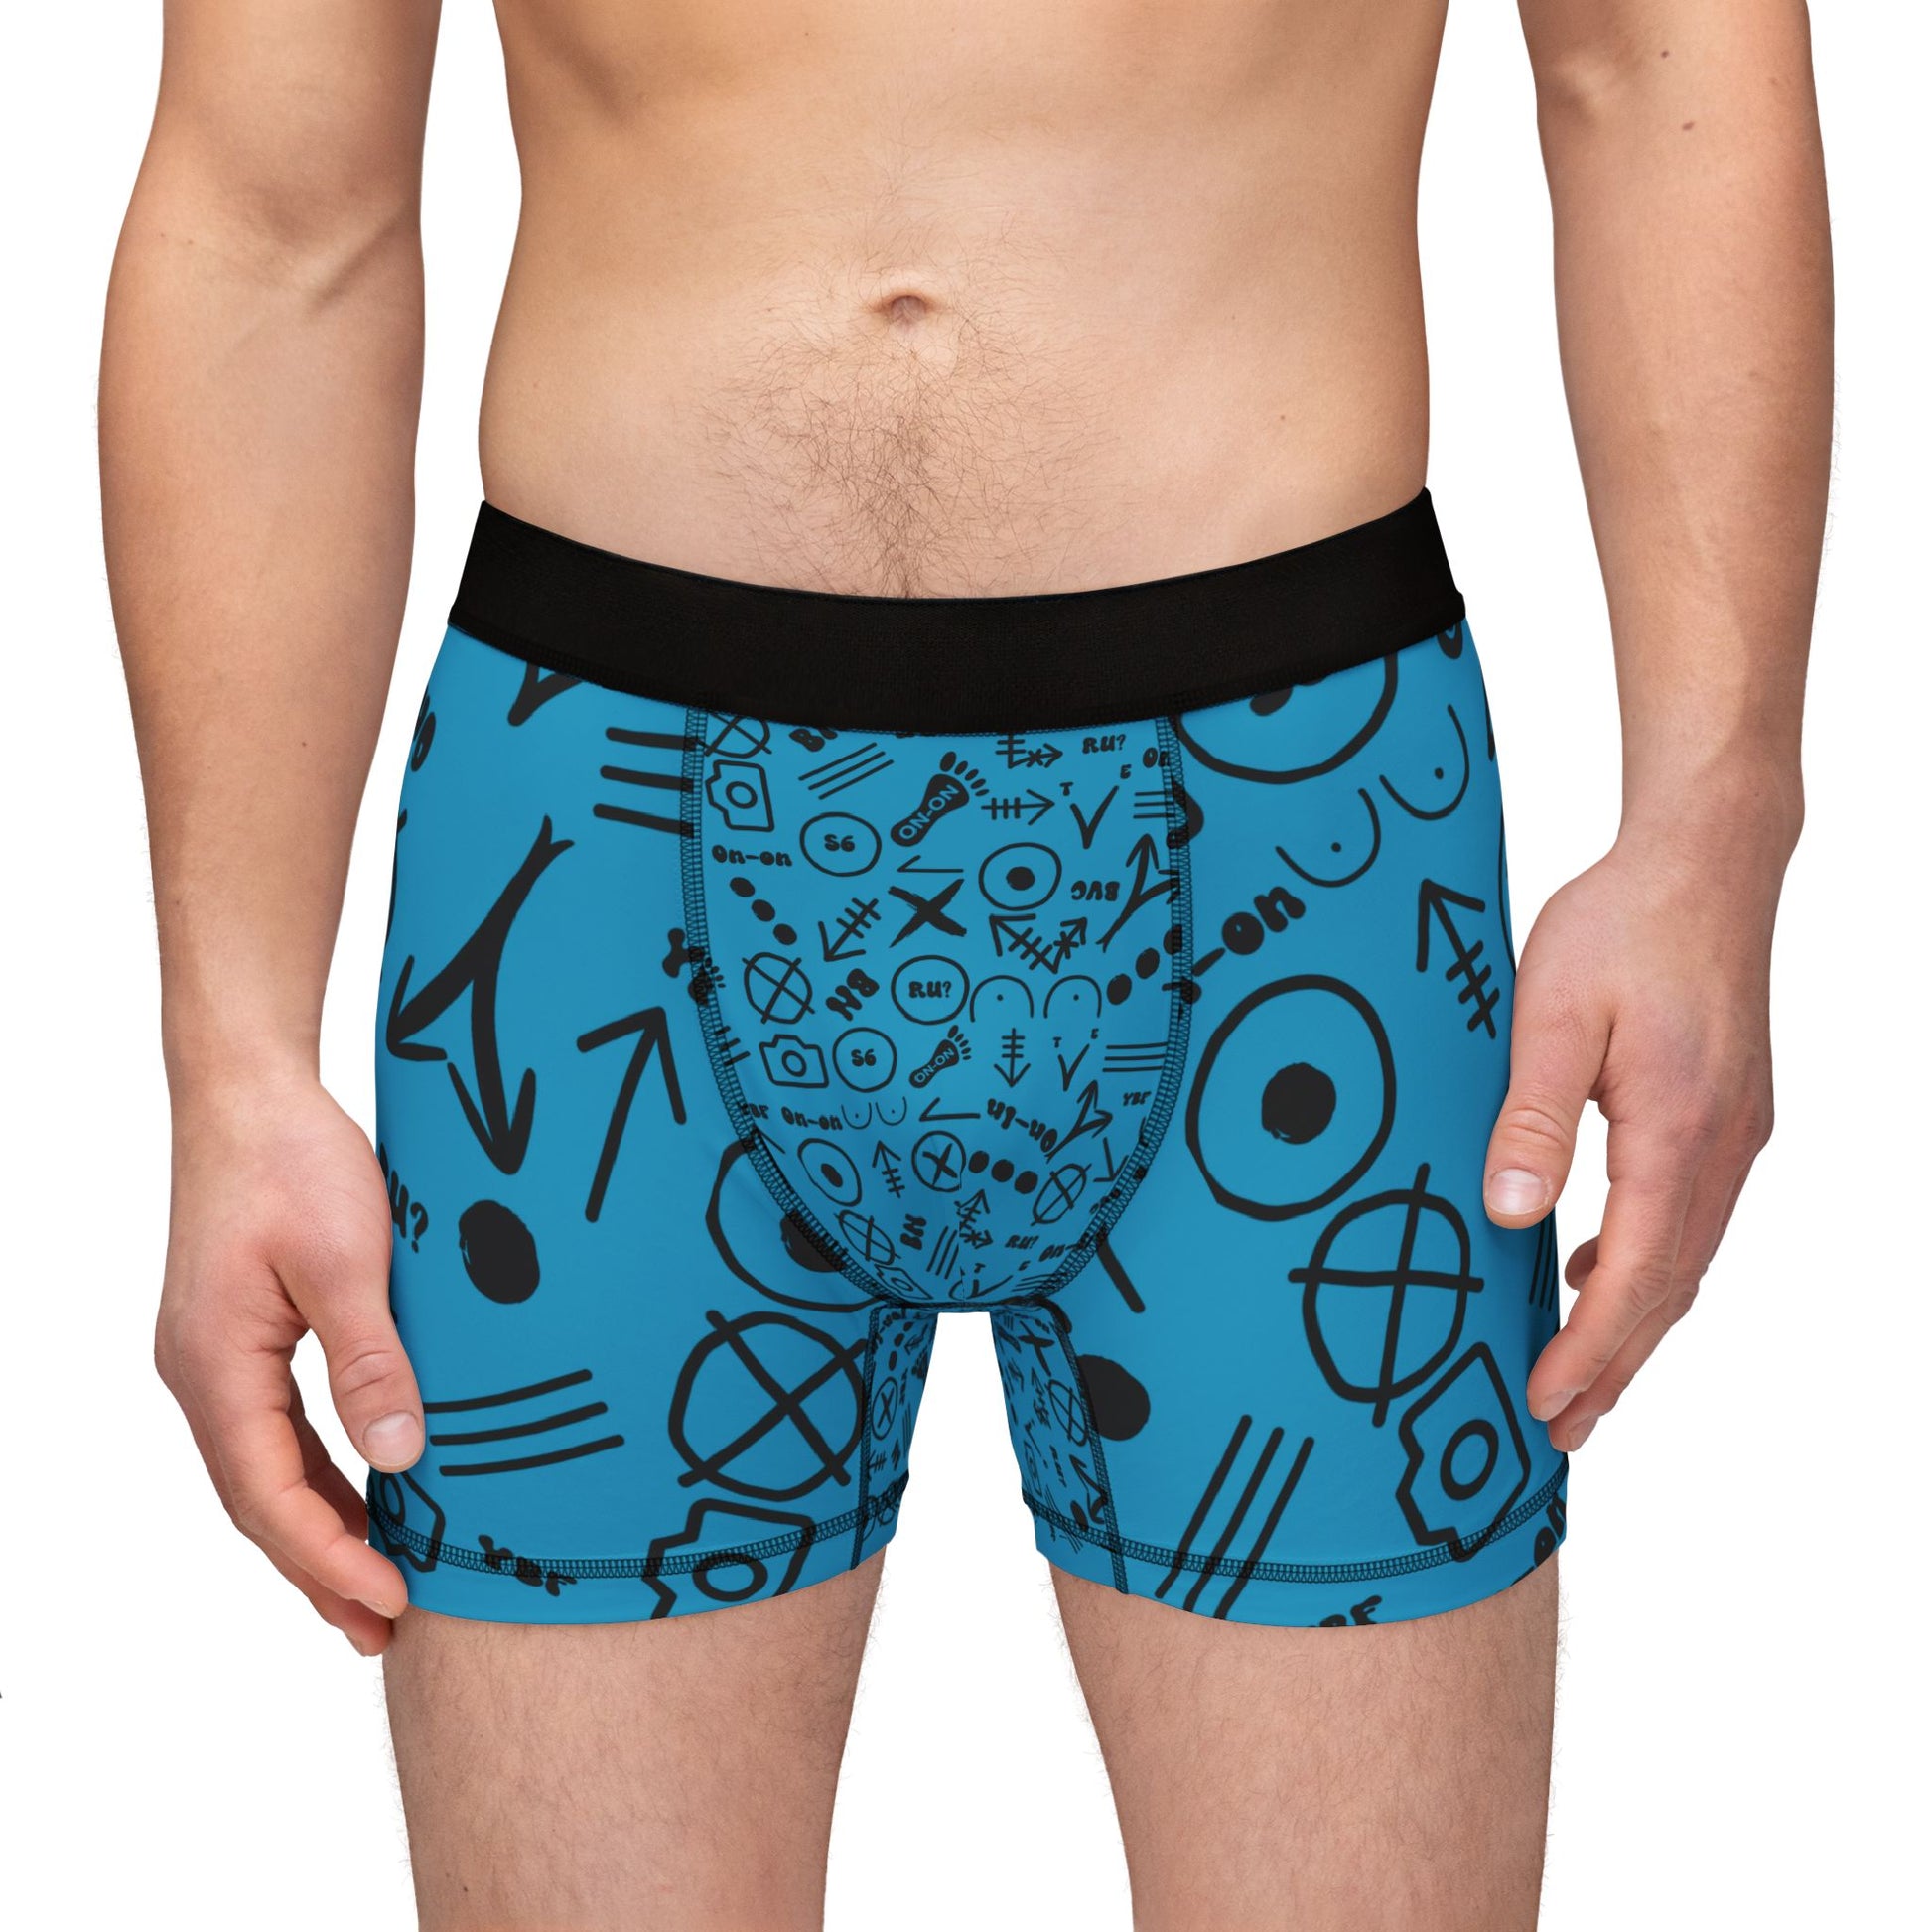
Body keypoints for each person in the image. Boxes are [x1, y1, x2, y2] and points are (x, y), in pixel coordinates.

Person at [100, 0, 1829, 1924]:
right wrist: (229, 1051)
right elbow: (279, 212)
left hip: (1290, 829)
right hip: (597, 873)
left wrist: (1714, 818)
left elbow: (1653, 54)